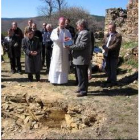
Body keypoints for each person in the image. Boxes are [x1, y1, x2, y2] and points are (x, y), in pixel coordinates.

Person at [65, 19, 91, 97]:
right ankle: (80, 87)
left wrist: (71, 47)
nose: (76, 27)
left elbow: (82, 45)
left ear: (81, 26)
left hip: (82, 58)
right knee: (79, 75)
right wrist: (70, 41)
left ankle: (83, 91)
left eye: (77, 25)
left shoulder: (86, 33)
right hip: (78, 58)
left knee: (82, 75)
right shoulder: (81, 33)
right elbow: (78, 43)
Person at [48, 17, 72, 84]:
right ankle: (54, 80)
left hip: (64, 50)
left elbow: (70, 40)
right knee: (55, 64)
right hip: (57, 50)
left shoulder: (67, 31)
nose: (62, 25)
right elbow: (52, 38)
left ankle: (63, 80)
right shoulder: (55, 30)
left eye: (63, 23)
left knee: (63, 65)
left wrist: (67, 42)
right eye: (61, 23)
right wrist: (58, 36)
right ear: (58, 23)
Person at [102, 22, 122, 86]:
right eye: (109, 28)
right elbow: (103, 42)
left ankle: (113, 81)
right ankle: (109, 79)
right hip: (106, 54)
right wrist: (103, 47)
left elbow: (116, 45)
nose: (110, 29)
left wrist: (108, 48)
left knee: (113, 68)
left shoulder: (118, 36)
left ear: (114, 28)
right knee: (107, 68)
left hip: (113, 54)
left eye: (111, 28)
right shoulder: (107, 35)